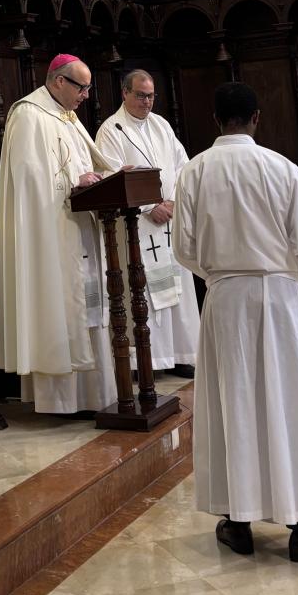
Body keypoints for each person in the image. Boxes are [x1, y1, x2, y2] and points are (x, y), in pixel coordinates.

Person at [172, 83, 298, 562]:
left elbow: (184, 249)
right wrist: (290, 281)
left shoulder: (193, 172)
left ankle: (237, 522)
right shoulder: (281, 167)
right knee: (294, 402)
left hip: (225, 301)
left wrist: (223, 276)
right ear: (256, 117)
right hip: (280, 299)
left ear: (216, 119)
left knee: (233, 403)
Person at [0, 54, 117, 415]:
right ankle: (63, 400)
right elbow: (30, 182)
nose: (86, 95)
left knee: (88, 308)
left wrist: (107, 177)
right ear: (59, 81)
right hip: (51, 233)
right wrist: (75, 183)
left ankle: (94, 395)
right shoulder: (28, 115)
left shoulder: (67, 116)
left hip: (79, 227)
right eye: (82, 87)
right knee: (62, 306)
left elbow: (88, 165)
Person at [95, 69, 199, 378]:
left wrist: (172, 202)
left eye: (151, 96)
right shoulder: (112, 130)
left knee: (178, 290)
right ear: (125, 93)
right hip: (138, 225)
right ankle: (147, 360)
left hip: (168, 221)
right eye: (140, 95)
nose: (147, 102)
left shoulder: (161, 125)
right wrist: (149, 206)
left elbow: (183, 168)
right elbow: (110, 176)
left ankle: (181, 354)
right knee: (146, 295)